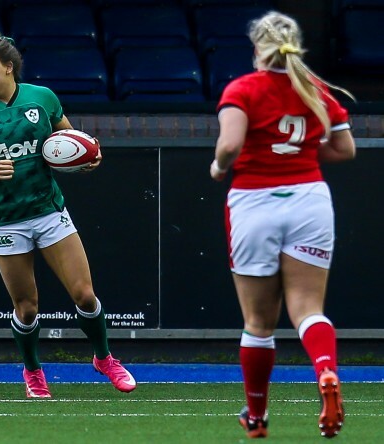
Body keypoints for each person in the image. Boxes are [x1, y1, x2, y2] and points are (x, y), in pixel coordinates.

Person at [0, 36, 136, 398]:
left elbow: (70, 140)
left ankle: (104, 358)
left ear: (8, 67)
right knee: (27, 309)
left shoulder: (42, 98)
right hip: (7, 221)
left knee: (84, 294)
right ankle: (32, 371)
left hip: (49, 212)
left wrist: (89, 157)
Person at [209, 11, 355, 439]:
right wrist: (300, 155)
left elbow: (230, 145)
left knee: (258, 321)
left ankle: (256, 417)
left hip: (254, 202)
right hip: (310, 199)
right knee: (309, 309)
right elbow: (344, 148)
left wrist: (218, 167)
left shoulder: (243, 88)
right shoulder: (315, 88)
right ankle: (326, 372)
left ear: (258, 49)